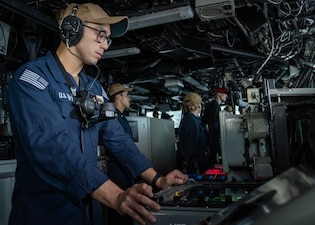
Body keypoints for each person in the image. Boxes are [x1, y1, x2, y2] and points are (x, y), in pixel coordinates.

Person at [6, 3, 188, 225]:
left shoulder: (93, 88)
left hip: (88, 212)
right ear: (72, 28)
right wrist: (116, 195)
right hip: (45, 213)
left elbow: (118, 139)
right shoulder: (32, 79)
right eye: (100, 34)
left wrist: (157, 178)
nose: (105, 45)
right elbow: (51, 145)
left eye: (108, 39)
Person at [106, 83, 136, 225]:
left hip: (124, 170)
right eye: (126, 95)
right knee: (120, 213)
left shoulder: (121, 117)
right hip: (118, 170)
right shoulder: (113, 118)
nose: (129, 99)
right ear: (118, 97)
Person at [177, 92, 209, 174]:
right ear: (198, 105)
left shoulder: (188, 119)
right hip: (195, 165)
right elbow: (191, 147)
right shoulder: (192, 122)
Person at [202, 87, 229, 165]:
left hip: (211, 139)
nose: (226, 96)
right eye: (225, 94)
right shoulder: (215, 106)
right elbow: (214, 124)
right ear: (219, 94)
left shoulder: (210, 105)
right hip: (214, 139)